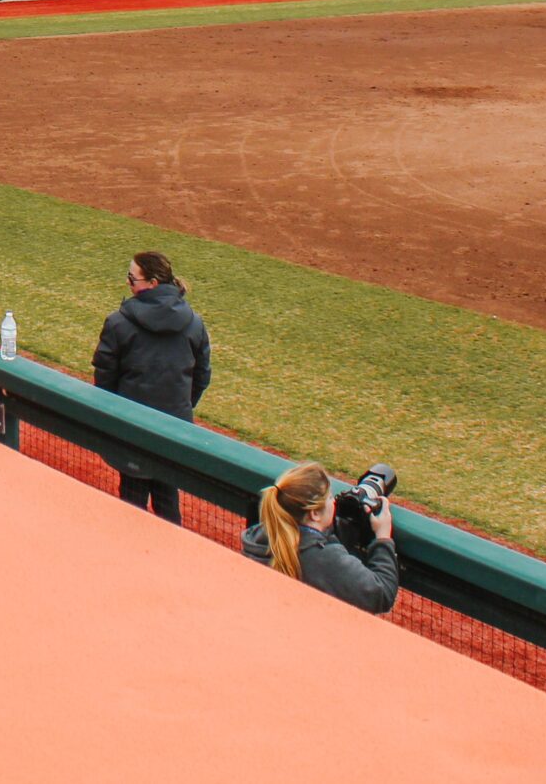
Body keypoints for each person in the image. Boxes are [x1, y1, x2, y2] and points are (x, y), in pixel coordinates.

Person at [91, 251, 211, 524]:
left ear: (153, 283)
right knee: (168, 504)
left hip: (133, 429)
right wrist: (179, 407)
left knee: (132, 506)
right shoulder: (194, 323)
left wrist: (117, 413)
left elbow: (105, 378)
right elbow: (202, 376)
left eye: (132, 279)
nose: (129, 284)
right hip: (174, 430)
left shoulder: (118, 323)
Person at [241, 463, 399, 615]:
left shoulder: (261, 534)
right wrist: (383, 537)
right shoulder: (324, 559)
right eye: (330, 498)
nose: (334, 502)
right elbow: (381, 593)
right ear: (314, 514)